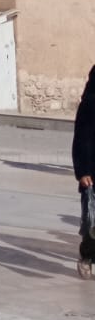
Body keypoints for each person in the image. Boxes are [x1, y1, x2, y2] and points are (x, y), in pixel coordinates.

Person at [73, 65, 95, 268]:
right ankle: (88, 257)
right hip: (91, 173)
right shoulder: (89, 104)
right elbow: (80, 139)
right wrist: (82, 171)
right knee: (91, 220)